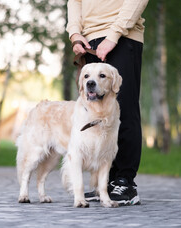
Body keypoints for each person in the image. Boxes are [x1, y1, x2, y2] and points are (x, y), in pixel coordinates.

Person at [66, 0, 149, 206]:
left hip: (123, 36)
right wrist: (75, 34)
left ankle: (125, 182)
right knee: (95, 115)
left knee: (122, 109)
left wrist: (114, 35)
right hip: (89, 38)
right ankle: (104, 185)